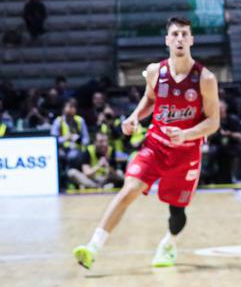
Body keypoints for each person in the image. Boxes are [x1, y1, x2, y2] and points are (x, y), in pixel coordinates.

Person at [72, 16, 220, 270]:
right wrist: (133, 116)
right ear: (167, 40)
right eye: (175, 34)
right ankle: (93, 247)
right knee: (130, 188)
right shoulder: (155, 72)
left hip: (186, 152)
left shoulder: (205, 78)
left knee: (176, 213)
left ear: (192, 40)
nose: (180, 38)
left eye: (184, 34)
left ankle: (169, 243)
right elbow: (150, 100)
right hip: (156, 145)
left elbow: (213, 122)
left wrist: (186, 134)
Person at [52, 98, 89, 182]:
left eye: (73, 107)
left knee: (75, 156)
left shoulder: (80, 120)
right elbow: (53, 141)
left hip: (77, 150)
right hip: (62, 151)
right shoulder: (58, 121)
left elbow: (86, 139)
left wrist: (78, 140)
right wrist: (65, 138)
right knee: (62, 156)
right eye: (69, 107)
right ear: (63, 109)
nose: (71, 109)